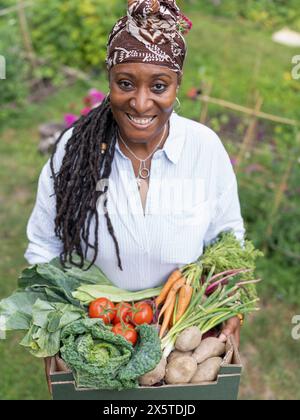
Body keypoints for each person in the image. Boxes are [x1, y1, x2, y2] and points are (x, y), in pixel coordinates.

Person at [25, 0, 244, 389]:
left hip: (181, 328)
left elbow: (229, 235)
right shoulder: (74, 150)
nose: (141, 103)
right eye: (125, 83)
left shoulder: (203, 149)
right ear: (109, 79)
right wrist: (51, 330)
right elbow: (43, 244)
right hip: (92, 323)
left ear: (176, 86)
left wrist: (232, 305)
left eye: (159, 86)